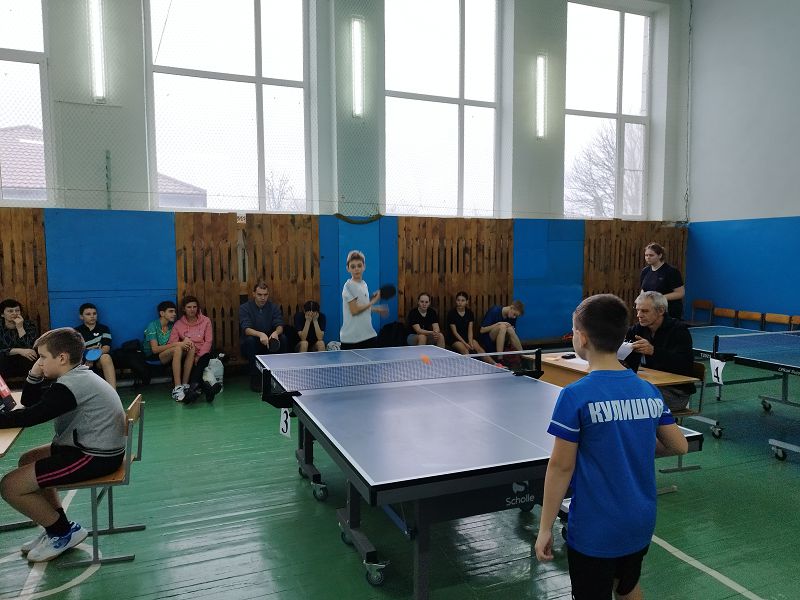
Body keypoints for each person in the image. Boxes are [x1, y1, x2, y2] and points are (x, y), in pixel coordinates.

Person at [534, 294, 688, 600]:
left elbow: (561, 467)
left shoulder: (575, 396)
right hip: (640, 521)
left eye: (573, 331)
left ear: (582, 338)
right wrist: (633, 444)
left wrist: (545, 527)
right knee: (626, 586)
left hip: (595, 528)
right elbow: (679, 445)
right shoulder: (648, 390)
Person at [0, 327, 126, 563]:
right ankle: (58, 527)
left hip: (95, 456)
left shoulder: (71, 385)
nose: (39, 362)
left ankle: (61, 532)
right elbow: (30, 402)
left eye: (43, 357)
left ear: (62, 358)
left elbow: (32, 415)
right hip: (90, 447)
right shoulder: (75, 376)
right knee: (28, 460)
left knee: (9, 486)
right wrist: (35, 372)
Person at [623, 291, 696, 412]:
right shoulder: (639, 329)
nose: (639, 315)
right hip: (651, 384)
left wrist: (653, 351)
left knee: (627, 401)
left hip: (675, 392)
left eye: (645, 311)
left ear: (661, 310)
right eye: (637, 310)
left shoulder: (678, 330)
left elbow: (684, 365)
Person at [168, 296, 221, 403]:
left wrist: (198, 356)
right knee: (194, 368)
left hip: (203, 353)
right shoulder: (178, 324)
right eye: (189, 307)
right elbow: (172, 343)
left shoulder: (206, 321)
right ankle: (207, 390)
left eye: (194, 307)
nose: (192, 309)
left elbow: (208, 341)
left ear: (198, 308)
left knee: (201, 363)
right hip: (187, 354)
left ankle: (192, 389)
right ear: (183, 309)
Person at [143, 300, 198, 403]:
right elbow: (154, 350)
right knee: (177, 348)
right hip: (153, 357)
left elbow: (182, 339)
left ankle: (185, 385)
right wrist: (177, 344)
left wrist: (186, 341)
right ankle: (177, 389)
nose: (174, 314)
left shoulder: (172, 326)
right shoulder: (152, 325)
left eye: (175, 311)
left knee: (191, 347)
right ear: (162, 313)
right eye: (171, 311)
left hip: (169, 353)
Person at [240, 282, 286, 392]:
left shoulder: (273, 307)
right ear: (254, 294)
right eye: (259, 294)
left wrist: (276, 333)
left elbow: (280, 325)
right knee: (250, 341)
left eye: (265, 295)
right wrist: (260, 334)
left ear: (268, 294)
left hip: (269, 342)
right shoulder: (244, 308)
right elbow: (246, 329)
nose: (263, 298)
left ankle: (280, 376)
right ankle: (255, 378)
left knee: (283, 339)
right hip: (253, 342)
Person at [340, 250, 387, 350]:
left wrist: (375, 309)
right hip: (351, 339)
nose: (356, 269)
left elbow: (362, 306)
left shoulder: (364, 284)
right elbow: (354, 310)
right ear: (348, 269)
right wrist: (373, 301)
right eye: (353, 266)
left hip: (367, 335)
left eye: (359, 266)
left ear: (364, 267)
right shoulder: (348, 286)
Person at [75, 303, 116, 388]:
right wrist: (88, 354)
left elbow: (106, 348)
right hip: (83, 360)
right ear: (81, 317)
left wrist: (91, 356)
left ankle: (113, 392)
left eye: (94, 313)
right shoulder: (76, 332)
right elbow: (76, 350)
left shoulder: (104, 328)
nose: (92, 316)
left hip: (98, 360)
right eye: (88, 314)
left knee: (106, 357)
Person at [640, 242, 685, 320]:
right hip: (651, 310)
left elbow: (680, 293)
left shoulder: (671, 271)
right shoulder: (645, 271)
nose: (648, 257)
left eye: (651, 255)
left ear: (660, 255)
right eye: (646, 255)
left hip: (669, 311)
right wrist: (642, 301)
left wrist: (658, 298)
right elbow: (643, 290)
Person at [0, 298, 39, 381]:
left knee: (33, 356)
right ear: (2, 314)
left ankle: (31, 382)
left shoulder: (29, 325)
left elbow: (30, 346)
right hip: (5, 362)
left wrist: (20, 327)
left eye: (17, 310)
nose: (14, 313)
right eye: (10, 311)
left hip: (23, 361)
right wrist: (18, 351)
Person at [446, 291, 491, 362]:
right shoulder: (451, 313)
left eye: (462, 300)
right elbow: (455, 332)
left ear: (467, 302)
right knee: (465, 350)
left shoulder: (469, 313)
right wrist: (465, 344)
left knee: (479, 349)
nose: (460, 302)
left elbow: (470, 330)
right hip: (455, 339)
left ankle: (495, 364)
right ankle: (470, 367)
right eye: (458, 300)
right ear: (456, 301)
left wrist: (470, 342)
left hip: (467, 337)